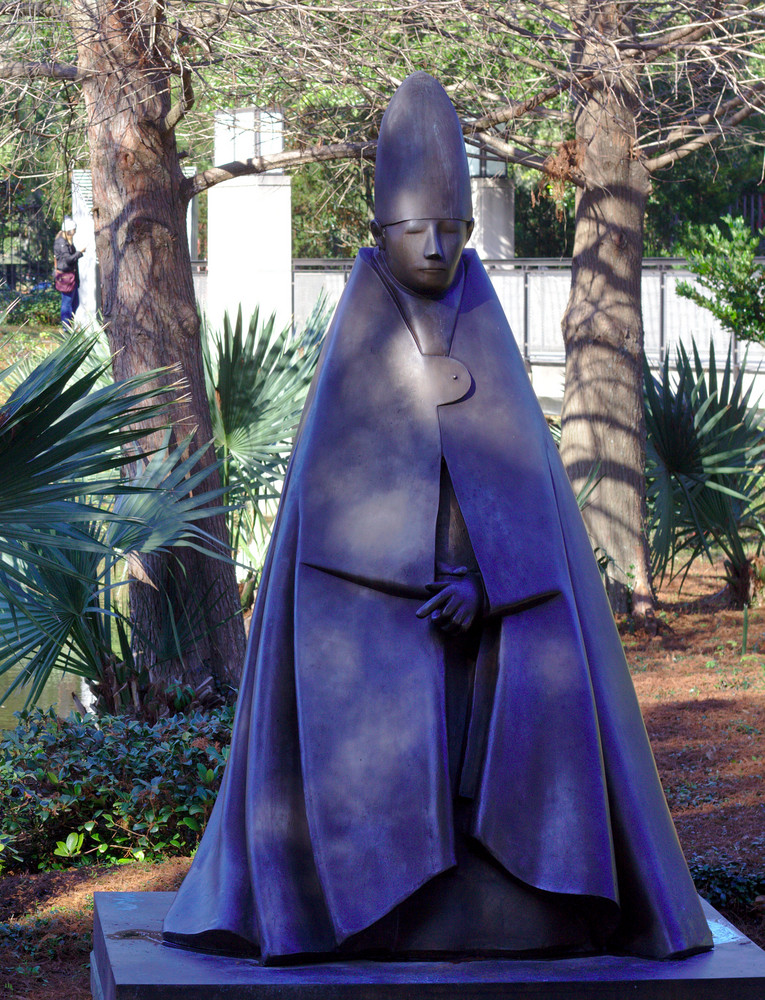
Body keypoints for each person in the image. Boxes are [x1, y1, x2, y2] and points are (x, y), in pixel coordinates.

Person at [161, 72, 712, 964]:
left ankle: (512, 893)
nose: (435, 245)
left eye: (452, 228)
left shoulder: (483, 323)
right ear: (380, 229)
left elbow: (524, 498)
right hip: (376, 625)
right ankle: (372, 902)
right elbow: (334, 513)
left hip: (489, 623)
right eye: (417, 228)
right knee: (391, 763)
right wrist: (413, 578)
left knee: (496, 742)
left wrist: (489, 586)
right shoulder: (357, 340)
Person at [54, 217, 82, 326]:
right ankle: (66, 328)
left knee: (74, 303)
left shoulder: (66, 241)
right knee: (67, 304)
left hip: (71, 277)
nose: (75, 232)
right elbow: (68, 260)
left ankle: (70, 325)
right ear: (69, 231)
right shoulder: (61, 243)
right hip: (66, 278)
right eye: (74, 230)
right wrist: (79, 253)